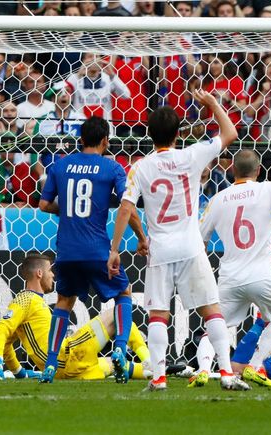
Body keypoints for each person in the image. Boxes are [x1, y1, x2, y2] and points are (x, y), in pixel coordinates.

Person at [107, 90, 249, 392]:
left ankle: (158, 378)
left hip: (160, 249)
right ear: (178, 132)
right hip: (191, 246)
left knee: (158, 313)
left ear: (149, 134)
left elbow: (126, 208)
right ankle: (225, 374)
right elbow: (231, 133)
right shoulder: (192, 154)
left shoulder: (141, 167)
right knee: (211, 309)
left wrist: (115, 248)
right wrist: (212, 104)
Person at [37, 116, 147, 384]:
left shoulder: (60, 166)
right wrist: (142, 237)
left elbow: (42, 205)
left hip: (67, 250)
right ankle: (120, 348)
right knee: (123, 292)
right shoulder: (113, 169)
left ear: (81, 140)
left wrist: (67, 212)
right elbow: (128, 206)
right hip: (98, 249)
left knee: (64, 302)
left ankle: (51, 364)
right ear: (106, 141)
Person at [193, 149, 271, 388]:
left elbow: (199, 243)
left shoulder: (218, 199)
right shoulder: (267, 189)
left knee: (216, 323)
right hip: (263, 275)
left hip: (230, 277)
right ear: (258, 171)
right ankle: (256, 365)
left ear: (232, 170)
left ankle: (203, 369)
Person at [0, 255, 151, 381]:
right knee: (118, 315)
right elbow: (0, 330)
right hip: (67, 355)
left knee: (111, 364)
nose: (53, 276)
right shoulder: (25, 299)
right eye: (49, 271)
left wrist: (19, 372)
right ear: (39, 273)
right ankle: (149, 360)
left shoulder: (33, 303)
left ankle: (157, 371)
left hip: (65, 371)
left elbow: (6, 342)